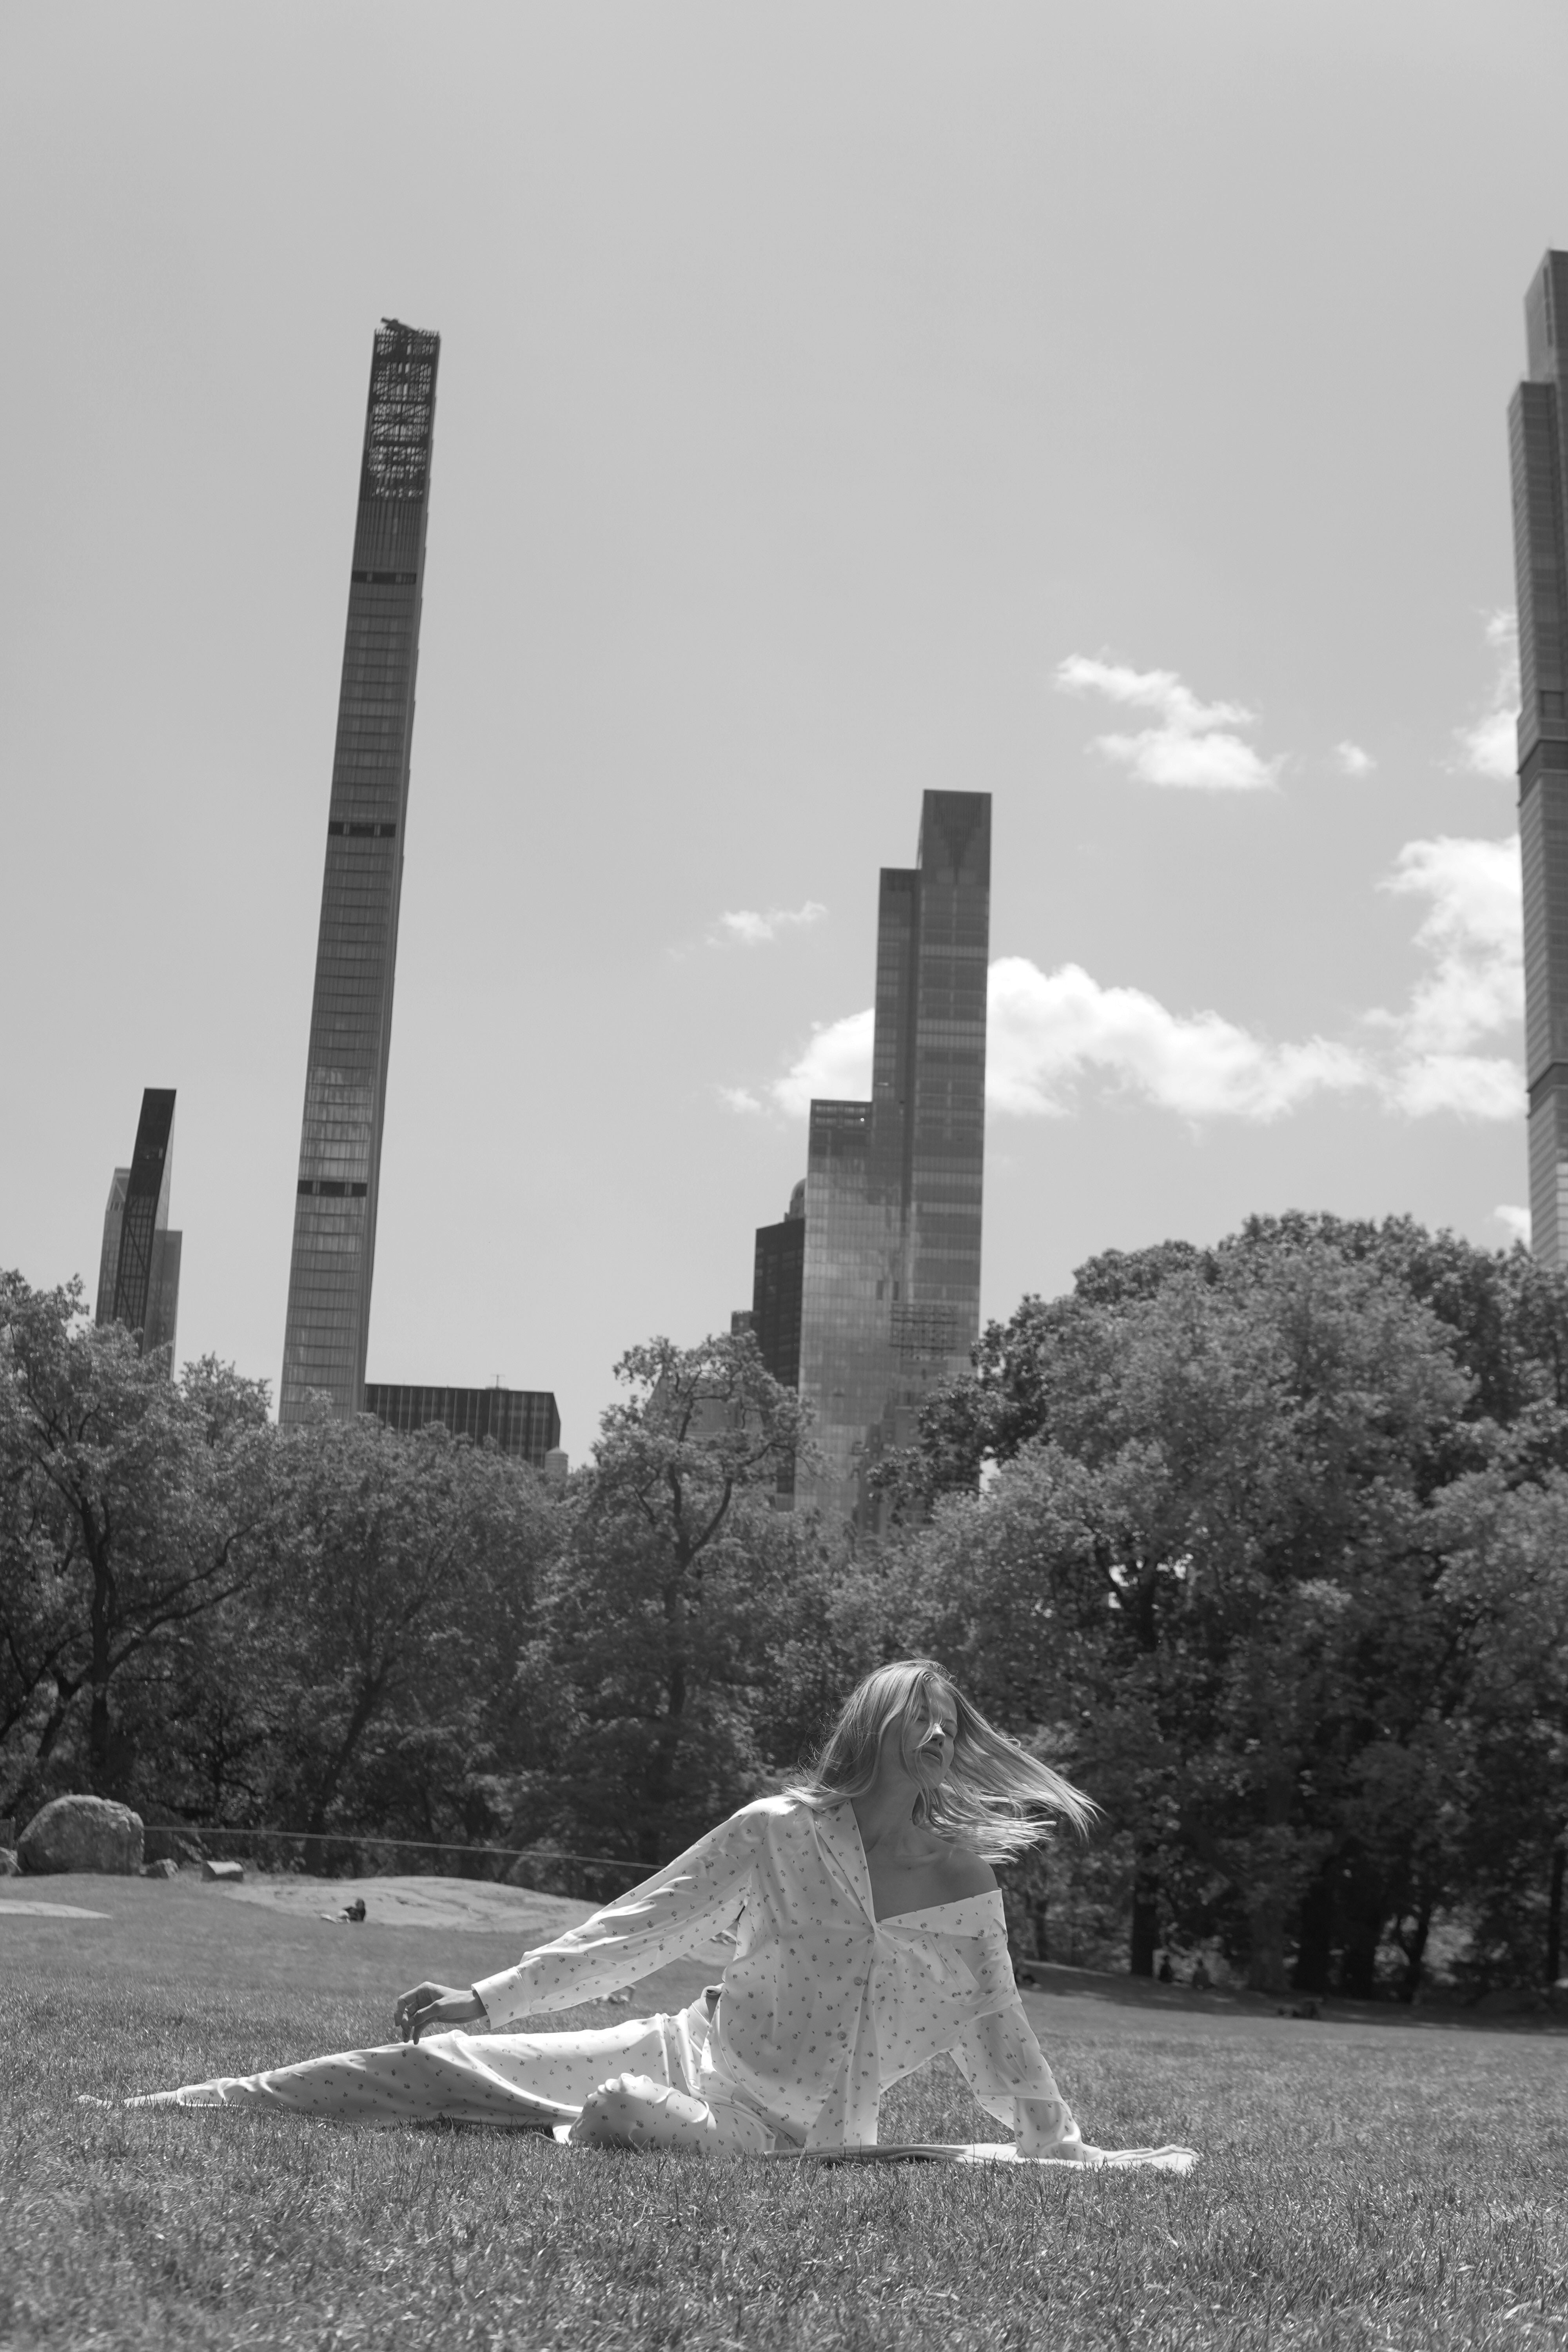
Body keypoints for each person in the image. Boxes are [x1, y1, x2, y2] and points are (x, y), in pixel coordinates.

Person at [115, 1661, 1195, 2167]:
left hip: (796, 2135)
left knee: (619, 2114)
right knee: (438, 2068)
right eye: (916, 1714)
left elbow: (997, 2023)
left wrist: (1056, 2144)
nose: (937, 1734)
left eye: (949, 1722)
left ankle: (557, 2127)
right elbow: (641, 1928)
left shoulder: (963, 1885)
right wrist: (487, 2000)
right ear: (871, 1729)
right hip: (688, 2049)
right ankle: (173, 2108)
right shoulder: (779, 1831)